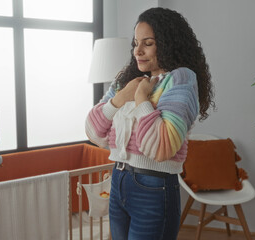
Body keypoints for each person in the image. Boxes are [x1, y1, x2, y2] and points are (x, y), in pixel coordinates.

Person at [85, 7, 214, 240]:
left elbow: (162, 147)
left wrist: (142, 99)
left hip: (154, 187)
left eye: (148, 43)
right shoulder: (126, 79)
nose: (138, 51)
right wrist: (120, 97)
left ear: (167, 43)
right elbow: (94, 131)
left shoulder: (181, 78)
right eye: (136, 43)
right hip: (118, 180)